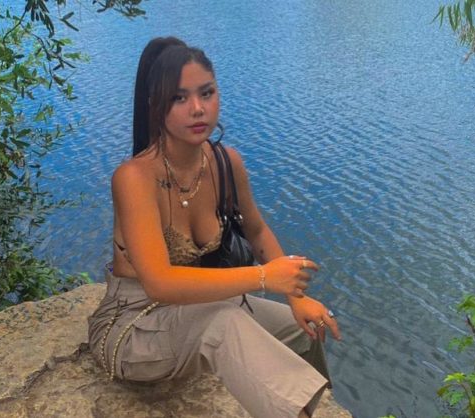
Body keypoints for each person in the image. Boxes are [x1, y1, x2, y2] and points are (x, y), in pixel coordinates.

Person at [87, 36, 341, 418]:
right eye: (179, 98)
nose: (197, 109)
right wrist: (264, 277)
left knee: (300, 330)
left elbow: (256, 231)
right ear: (156, 105)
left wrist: (296, 297)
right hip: (135, 325)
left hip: (198, 308)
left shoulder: (225, 163)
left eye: (206, 93)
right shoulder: (134, 179)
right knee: (225, 323)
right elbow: (159, 283)